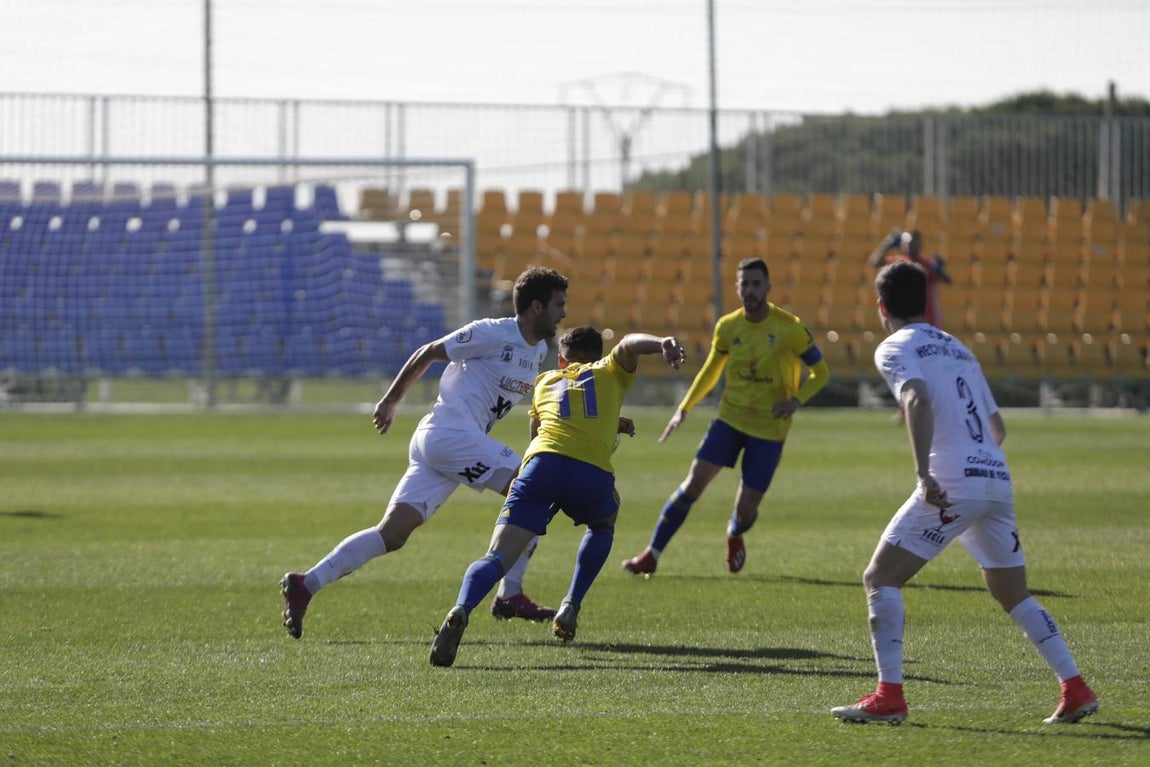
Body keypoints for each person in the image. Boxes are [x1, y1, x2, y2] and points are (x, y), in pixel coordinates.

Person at [831, 259, 1097, 725]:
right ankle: (1075, 687)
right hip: (995, 476)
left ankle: (889, 696)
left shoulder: (894, 346)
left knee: (881, 578)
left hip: (953, 481)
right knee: (1013, 592)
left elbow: (915, 397)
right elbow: (997, 427)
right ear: (926, 300)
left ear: (881, 306)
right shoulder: (958, 348)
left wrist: (925, 473)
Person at [280, 266, 571, 639]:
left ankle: (307, 583)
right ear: (535, 307)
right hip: (449, 434)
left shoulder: (539, 351)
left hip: (445, 443)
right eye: (558, 304)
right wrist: (390, 401)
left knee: (393, 534)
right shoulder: (492, 332)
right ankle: (509, 594)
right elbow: (430, 351)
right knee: (534, 489)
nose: (563, 313)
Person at [429, 326, 687, 667]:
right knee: (603, 522)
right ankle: (571, 604)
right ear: (598, 354)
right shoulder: (609, 370)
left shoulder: (545, 381)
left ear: (562, 358)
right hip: (589, 474)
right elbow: (628, 345)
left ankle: (461, 607)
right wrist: (661, 343)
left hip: (541, 465)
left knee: (497, 556)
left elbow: (541, 431)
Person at [620, 257, 830, 577]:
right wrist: (684, 408)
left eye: (756, 284)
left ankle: (735, 531)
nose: (750, 290)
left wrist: (795, 400)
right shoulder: (728, 326)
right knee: (693, 484)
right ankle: (652, 553)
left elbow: (821, 372)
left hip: (769, 430)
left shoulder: (790, 328)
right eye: (744, 283)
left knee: (747, 509)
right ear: (737, 287)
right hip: (729, 420)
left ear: (768, 288)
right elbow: (711, 371)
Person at [867, 228, 951, 328]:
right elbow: (875, 262)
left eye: (913, 243)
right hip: (904, 317)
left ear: (920, 244)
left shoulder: (928, 264)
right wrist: (887, 244)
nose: (910, 246)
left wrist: (940, 271)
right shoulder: (897, 262)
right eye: (907, 243)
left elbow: (946, 280)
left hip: (928, 318)